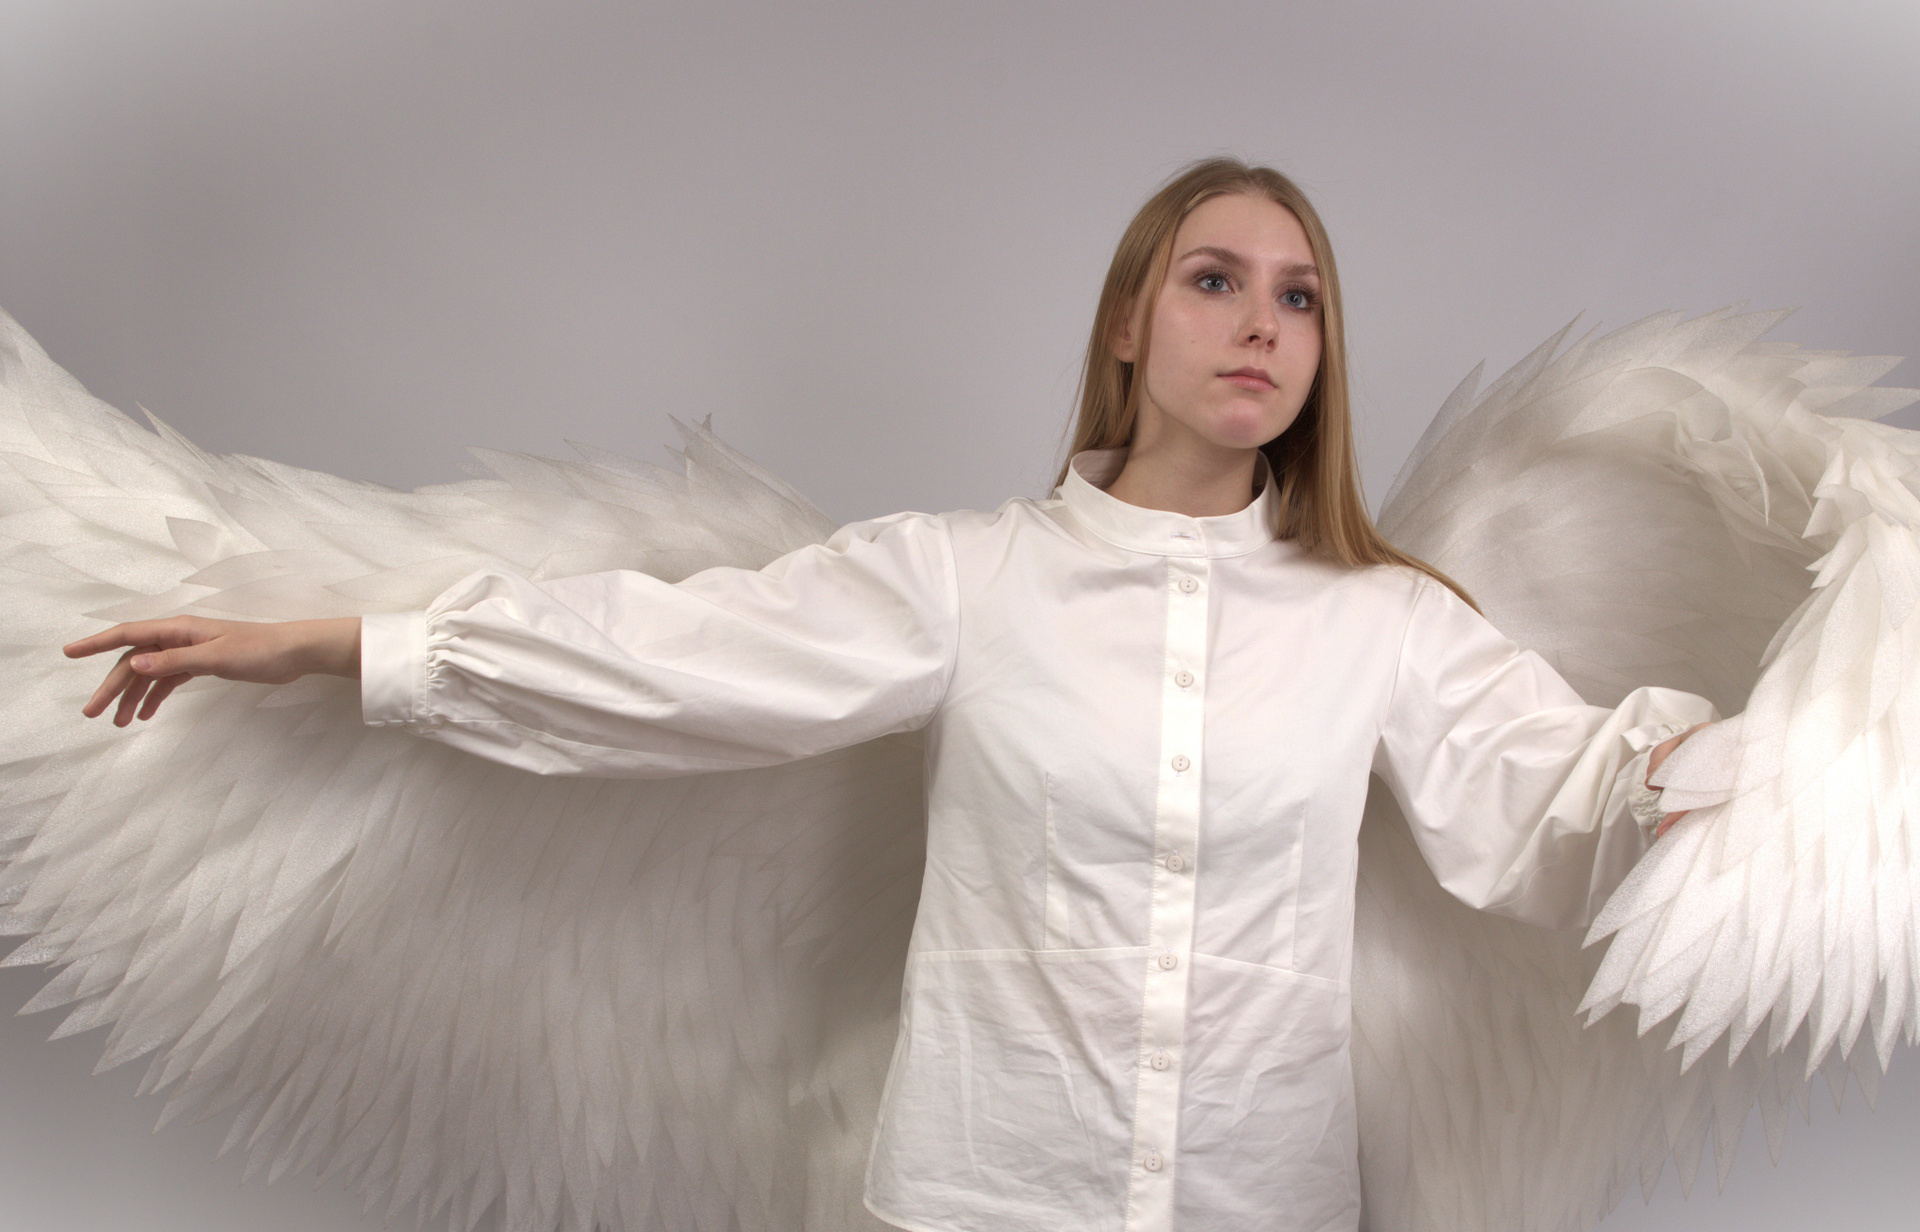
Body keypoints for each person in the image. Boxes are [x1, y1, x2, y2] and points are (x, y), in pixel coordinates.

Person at [63, 158, 1712, 1232]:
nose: (1264, 325)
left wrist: (1767, 781)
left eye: (1301, 297)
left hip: (1259, 1204)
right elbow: (668, 657)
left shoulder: (1384, 624)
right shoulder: (969, 578)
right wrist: (347, 645)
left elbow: (1568, 800)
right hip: (983, 1199)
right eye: (1216, 280)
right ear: (1128, 321)